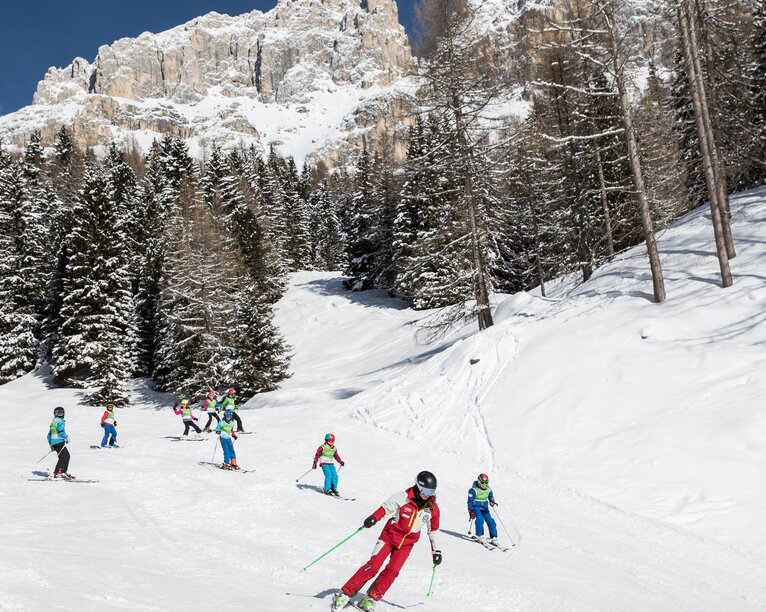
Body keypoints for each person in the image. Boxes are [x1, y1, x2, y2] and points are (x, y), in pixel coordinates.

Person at [332, 471, 442, 611]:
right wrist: (373, 518)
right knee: (373, 566)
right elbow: (386, 508)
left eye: (431, 491)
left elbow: (433, 531)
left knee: (393, 571)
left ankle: (371, 598)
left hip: (406, 545)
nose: (428, 494)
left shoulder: (432, 508)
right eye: (425, 490)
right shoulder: (404, 497)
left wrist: (436, 551)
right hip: (389, 538)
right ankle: (345, 593)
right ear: (419, 487)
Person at [468, 472, 499, 545]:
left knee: (491, 521)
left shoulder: (488, 489)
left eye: (486, 482)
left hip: (485, 508)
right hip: (476, 507)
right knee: (480, 519)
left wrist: (492, 501)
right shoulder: (473, 490)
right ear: (479, 482)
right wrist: (471, 511)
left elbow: (490, 496)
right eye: (482, 482)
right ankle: (480, 536)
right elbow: (469, 501)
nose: (484, 484)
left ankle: (493, 537)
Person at [47, 406, 74, 479]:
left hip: (55, 443)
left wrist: (51, 444)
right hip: (59, 442)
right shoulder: (60, 421)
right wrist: (66, 437)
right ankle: (57, 473)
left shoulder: (53, 422)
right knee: (63, 457)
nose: (61, 414)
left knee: (67, 456)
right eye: (59, 413)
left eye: (61, 413)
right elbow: (61, 431)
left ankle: (63, 471)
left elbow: (49, 435)